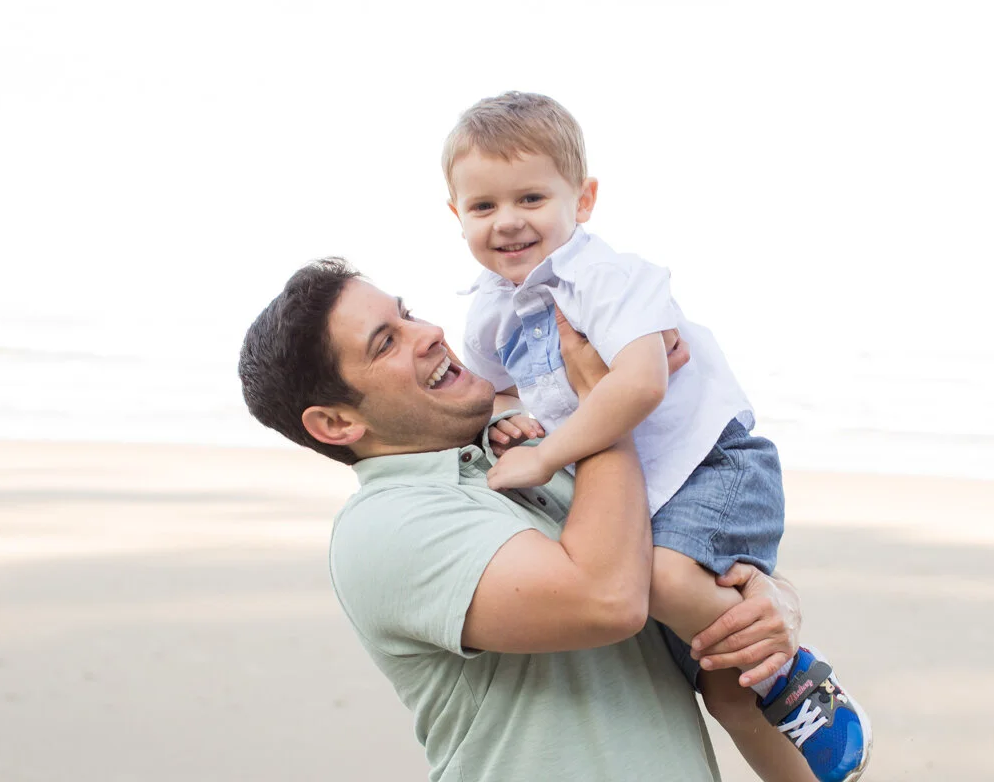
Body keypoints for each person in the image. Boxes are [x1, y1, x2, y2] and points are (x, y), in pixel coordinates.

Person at [238, 260, 815, 781]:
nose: (430, 332)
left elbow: (691, 571)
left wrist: (775, 602)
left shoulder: (540, 460)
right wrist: (606, 404)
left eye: (407, 313)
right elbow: (607, 599)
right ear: (336, 424)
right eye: (386, 342)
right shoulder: (384, 526)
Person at [444, 91, 871, 782]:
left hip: (710, 466)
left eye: (531, 198)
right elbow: (497, 390)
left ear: (582, 200)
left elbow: (642, 382)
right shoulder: (490, 312)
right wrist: (506, 420)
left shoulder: (606, 279)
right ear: (455, 215)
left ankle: (798, 678)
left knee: (667, 582)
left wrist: (547, 452)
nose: (508, 222)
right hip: (644, 500)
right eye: (483, 206)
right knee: (721, 687)